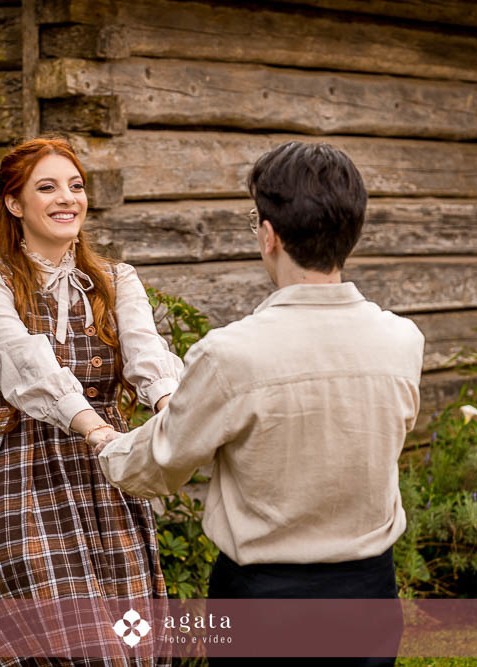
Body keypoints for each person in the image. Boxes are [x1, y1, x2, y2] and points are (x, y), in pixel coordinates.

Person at [95, 141, 425, 666]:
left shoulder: (231, 355)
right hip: (369, 592)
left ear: (268, 235)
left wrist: (102, 441)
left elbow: (161, 462)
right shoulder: (403, 341)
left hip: (263, 599)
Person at [0, 137, 182, 666]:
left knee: (126, 638)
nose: (67, 199)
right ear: (15, 204)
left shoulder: (115, 280)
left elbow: (146, 353)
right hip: (23, 472)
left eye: (76, 186)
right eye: (48, 187)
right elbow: (24, 362)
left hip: (108, 478)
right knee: (64, 638)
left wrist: (174, 411)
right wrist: (96, 429)